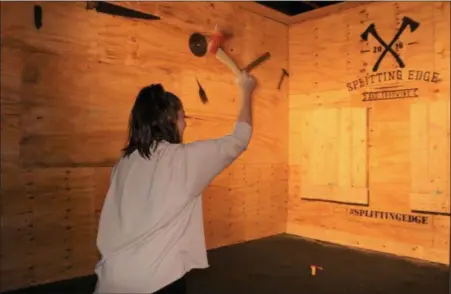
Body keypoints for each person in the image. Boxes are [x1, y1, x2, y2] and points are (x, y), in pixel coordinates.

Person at [93, 71, 256, 294]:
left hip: (111, 281)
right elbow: (240, 138)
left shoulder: (123, 164)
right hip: (156, 281)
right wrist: (246, 90)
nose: (185, 124)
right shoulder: (181, 160)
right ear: (169, 120)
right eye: (182, 117)